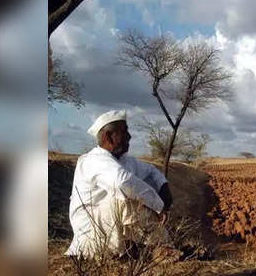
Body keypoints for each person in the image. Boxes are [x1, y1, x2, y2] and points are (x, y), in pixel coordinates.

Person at [65, 110, 178, 260]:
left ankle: (156, 248)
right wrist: (159, 206)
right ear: (108, 136)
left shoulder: (123, 160)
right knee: (127, 198)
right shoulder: (94, 160)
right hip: (93, 235)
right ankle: (162, 248)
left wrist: (164, 186)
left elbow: (151, 171)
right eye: (124, 132)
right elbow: (122, 182)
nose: (129, 136)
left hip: (111, 229)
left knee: (139, 192)